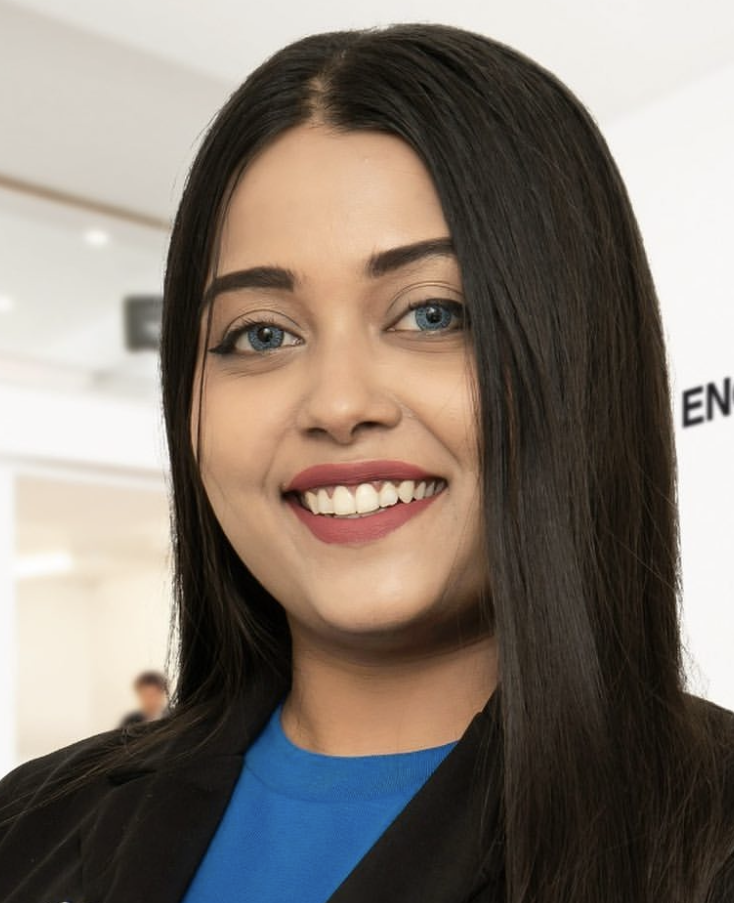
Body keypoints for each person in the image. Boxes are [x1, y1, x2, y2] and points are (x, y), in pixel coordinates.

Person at [0, 22, 733, 903]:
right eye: (261, 333)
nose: (339, 403)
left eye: (431, 314)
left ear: (582, 356)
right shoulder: (27, 826)